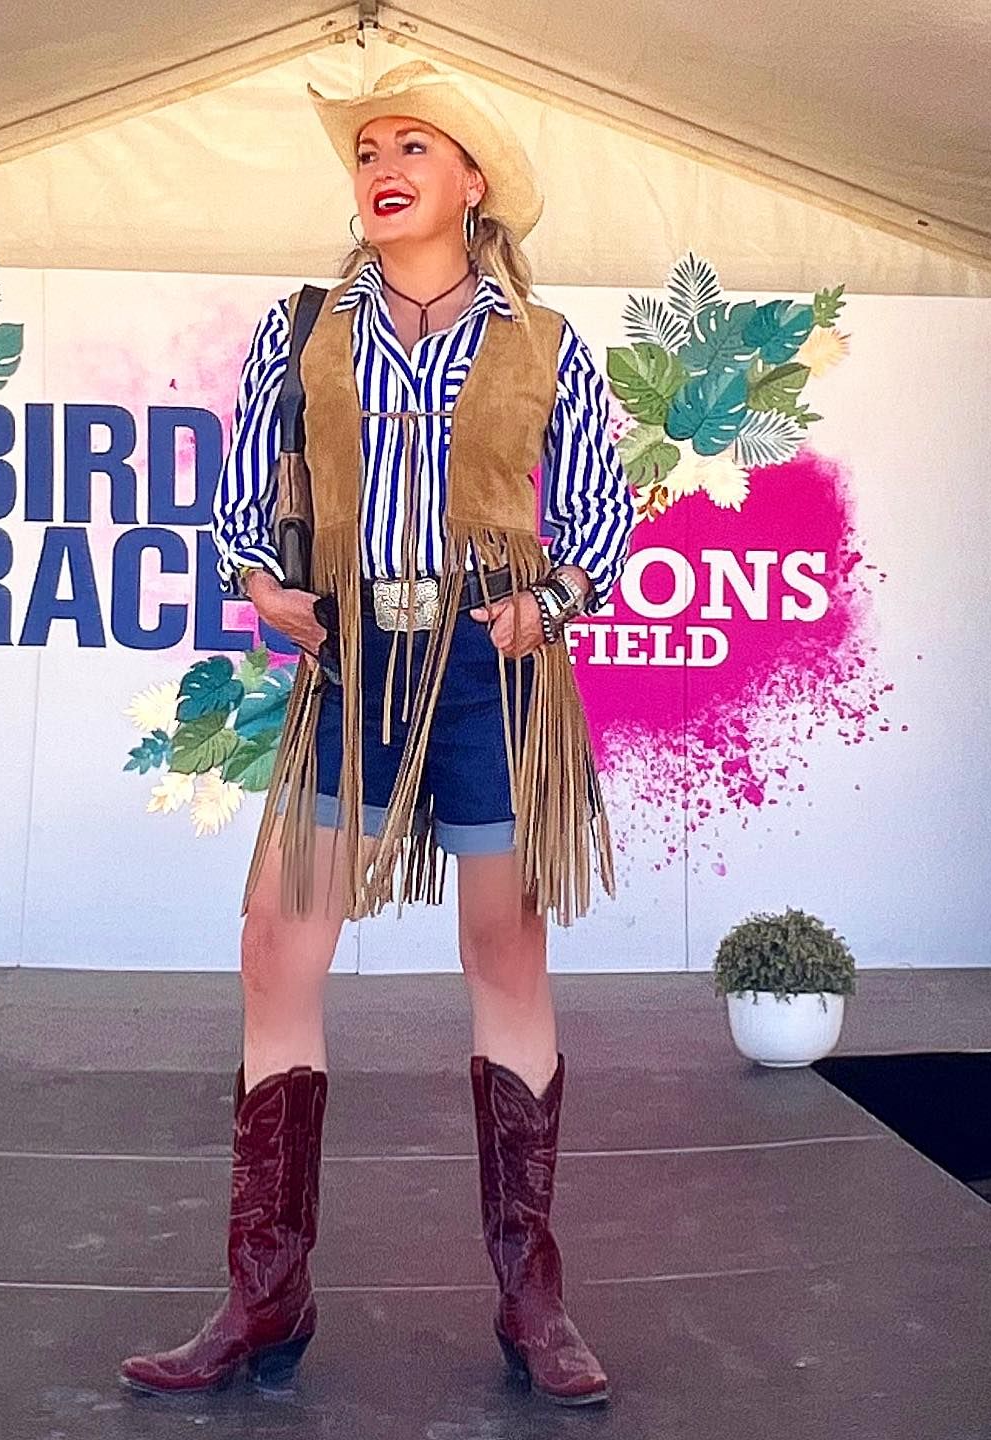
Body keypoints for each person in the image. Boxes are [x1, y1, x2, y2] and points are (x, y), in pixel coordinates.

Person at [119, 58, 635, 1408]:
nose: (383, 167)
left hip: (488, 665)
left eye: (414, 145)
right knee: (275, 945)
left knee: (504, 949)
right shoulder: (304, 329)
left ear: (472, 183)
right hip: (353, 658)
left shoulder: (549, 342)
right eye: (367, 152)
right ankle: (265, 1292)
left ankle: (532, 1298)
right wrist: (261, 583)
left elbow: (602, 519)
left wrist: (545, 606)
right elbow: (246, 497)